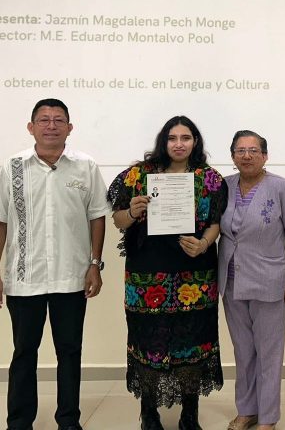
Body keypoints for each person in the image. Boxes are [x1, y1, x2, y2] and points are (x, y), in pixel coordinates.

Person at [0, 98, 109, 430]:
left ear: (70, 127)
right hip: (25, 278)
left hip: (72, 277)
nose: (51, 125)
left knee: (70, 351)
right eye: (43, 119)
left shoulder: (86, 166)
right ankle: (19, 422)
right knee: (24, 351)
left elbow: (97, 216)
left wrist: (95, 263)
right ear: (31, 127)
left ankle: (68, 420)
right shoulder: (13, 167)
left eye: (58, 120)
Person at [107, 116, 227, 430]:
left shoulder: (210, 178)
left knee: (193, 340)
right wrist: (132, 211)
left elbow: (216, 223)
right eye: (172, 138)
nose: (179, 144)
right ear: (163, 141)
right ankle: (149, 413)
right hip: (147, 275)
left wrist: (204, 244)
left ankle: (190, 415)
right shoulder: (138, 175)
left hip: (195, 274)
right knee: (149, 341)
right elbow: (119, 220)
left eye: (185, 138)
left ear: (195, 142)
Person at [218, 130, 285, 430]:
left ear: (265, 156)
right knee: (243, 352)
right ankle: (247, 410)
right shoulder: (224, 186)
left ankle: (268, 417)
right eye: (240, 151)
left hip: (270, 282)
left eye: (253, 151)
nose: (247, 156)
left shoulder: (280, 186)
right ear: (233, 156)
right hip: (232, 281)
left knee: (269, 354)